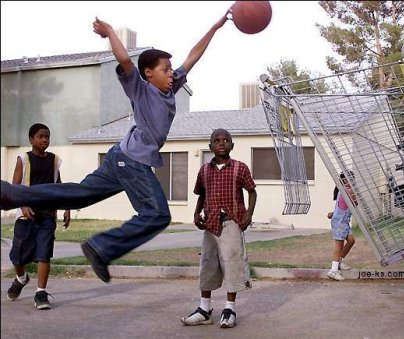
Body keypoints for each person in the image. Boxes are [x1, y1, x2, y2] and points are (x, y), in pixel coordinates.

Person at [0, 12, 230, 283]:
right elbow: (124, 60)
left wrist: (215, 27)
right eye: (165, 70)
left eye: (170, 70)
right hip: (131, 161)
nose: (171, 74)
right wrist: (110, 32)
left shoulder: (171, 87)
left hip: (121, 156)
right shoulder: (141, 89)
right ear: (148, 73)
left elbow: (193, 56)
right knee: (157, 214)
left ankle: (12, 194)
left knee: (79, 195)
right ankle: (101, 247)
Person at [181, 129, 257, 329]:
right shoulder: (205, 170)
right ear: (210, 147)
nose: (221, 143)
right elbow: (201, 195)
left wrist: (248, 214)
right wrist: (197, 213)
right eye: (217, 140)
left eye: (226, 140)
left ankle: (229, 309)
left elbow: (252, 192)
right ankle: (204, 309)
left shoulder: (240, 168)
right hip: (210, 224)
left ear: (232, 145)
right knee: (207, 264)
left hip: (231, 222)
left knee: (232, 263)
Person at [6, 123, 71, 310]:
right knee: (18, 257)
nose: (45, 140)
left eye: (47, 137)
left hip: (47, 215)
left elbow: (59, 186)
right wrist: (23, 204)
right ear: (31, 139)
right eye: (41, 136)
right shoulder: (24, 160)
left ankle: (40, 293)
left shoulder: (54, 160)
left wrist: (66, 206)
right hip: (26, 216)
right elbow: (14, 188)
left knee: (44, 254)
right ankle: (21, 278)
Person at [326, 171, 357, 281]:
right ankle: (333, 270)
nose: (351, 181)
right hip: (340, 223)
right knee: (338, 245)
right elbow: (356, 202)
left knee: (351, 240)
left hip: (343, 221)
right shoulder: (347, 191)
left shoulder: (343, 191)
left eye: (352, 178)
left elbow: (342, 207)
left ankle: (339, 262)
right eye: (349, 179)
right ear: (343, 181)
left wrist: (333, 213)